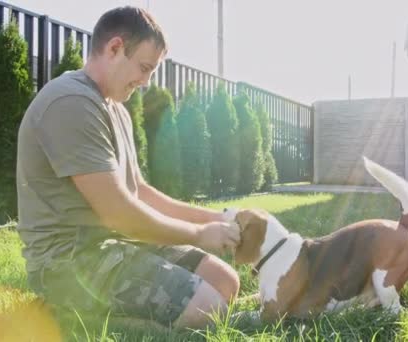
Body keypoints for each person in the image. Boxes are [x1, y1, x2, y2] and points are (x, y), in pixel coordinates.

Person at [16, 6, 240, 329]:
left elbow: (140, 193)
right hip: (69, 260)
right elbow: (118, 213)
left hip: (114, 243)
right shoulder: (70, 103)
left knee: (226, 282)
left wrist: (215, 219)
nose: (147, 82)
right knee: (208, 311)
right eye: (145, 67)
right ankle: (64, 315)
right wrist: (200, 234)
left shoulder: (116, 109)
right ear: (115, 48)